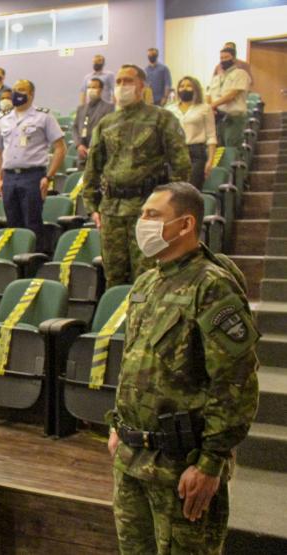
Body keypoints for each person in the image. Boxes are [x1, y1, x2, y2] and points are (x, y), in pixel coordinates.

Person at [108, 182, 259, 555]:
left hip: (182, 467)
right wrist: (118, 427)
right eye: (142, 213)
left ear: (185, 224)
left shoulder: (212, 286)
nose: (141, 222)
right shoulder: (146, 283)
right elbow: (134, 361)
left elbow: (235, 381)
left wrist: (211, 463)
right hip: (131, 459)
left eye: (152, 215)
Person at [82, 64, 191, 288]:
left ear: (142, 86)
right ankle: (118, 321)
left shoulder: (161, 119)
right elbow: (93, 167)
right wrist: (92, 206)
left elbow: (181, 164)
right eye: (119, 81)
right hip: (112, 210)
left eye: (128, 81)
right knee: (114, 276)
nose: (122, 86)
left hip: (148, 209)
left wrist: (171, 206)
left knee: (148, 276)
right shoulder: (106, 123)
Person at [0, 80, 66, 251]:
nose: (17, 93)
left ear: (31, 94)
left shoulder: (44, 116)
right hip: (9, 177)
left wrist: (49, 176)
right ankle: (17, 266)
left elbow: (60, 148)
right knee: (13, 225)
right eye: (15, 90)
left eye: (22, 90)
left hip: (33, 176)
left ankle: (34, 263)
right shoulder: (3, 118)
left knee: (32, 223)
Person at [167, 77, 217, 190]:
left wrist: (210, 160)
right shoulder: (169, 109)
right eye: (182, 86)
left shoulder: (205, 108)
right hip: (175, 152)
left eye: (188, 86)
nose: (184, 88)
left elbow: (211, 136)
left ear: (196, 89)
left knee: (191, 189)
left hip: (196, 154)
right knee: (174, 191)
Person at [209, 47, 251, 148]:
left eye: (226, 57)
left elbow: (232, 94)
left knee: (231, 148)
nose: (223, 60)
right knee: (219, 148)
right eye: (221, 58)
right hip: (218, 118)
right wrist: (211, 107)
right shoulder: (216, 78)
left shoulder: (241, 74)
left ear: (234, 58)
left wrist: (212, 105)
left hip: (234, 117)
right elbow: (209, 95)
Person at [72, 79, 115, 167]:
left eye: (94, 87)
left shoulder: (109, 108)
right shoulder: (81, 109)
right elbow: (75, 128)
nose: (91, 90)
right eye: (89, 87)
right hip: (82, 154)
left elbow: (108, 130)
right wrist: (78, 145)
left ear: (101, 90)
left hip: (100, 154)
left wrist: (94, 147)